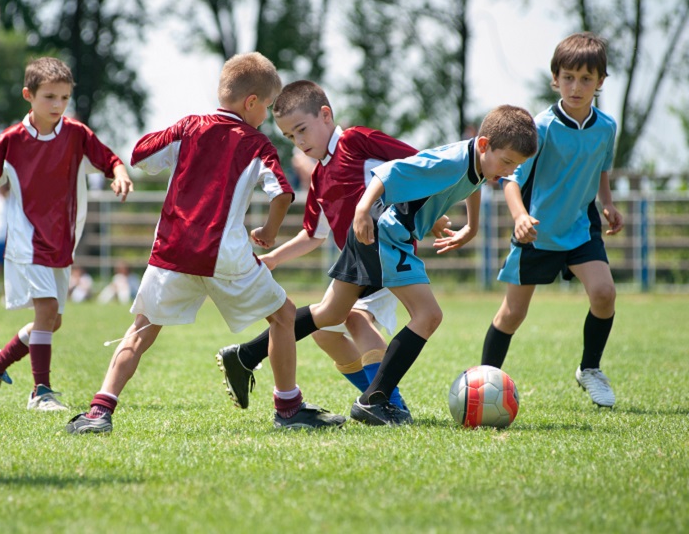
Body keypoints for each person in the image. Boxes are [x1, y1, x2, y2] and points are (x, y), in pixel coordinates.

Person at [64, 52, 345, 434]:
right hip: (225, 257)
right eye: (265, 108)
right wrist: (268, 231)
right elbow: (281, 193)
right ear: (251, 103)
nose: (266, 117)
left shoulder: (189, 126)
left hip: (171, 255)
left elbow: (140, 154)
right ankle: (288, 408)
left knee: (141, 330)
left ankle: (100, 411)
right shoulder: (257, 144)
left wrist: (183, 132)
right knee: (283, 316)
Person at [221, 104, 539, 426]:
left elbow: (475, 181)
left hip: (374, 232)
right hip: (388, 234)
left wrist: (470, 226)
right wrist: (362, 208)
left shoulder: (478, 162)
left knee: (331, 313)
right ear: (484, 145)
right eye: (507, 162)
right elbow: (391, 171)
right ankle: (375, 399)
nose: (508, 171)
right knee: (428, 315)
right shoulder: (453, 159)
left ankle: (247, 354)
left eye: (516, 166)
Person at [217, 80, 449, 413]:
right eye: (290, 137)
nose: (299, 142)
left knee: (354, 320)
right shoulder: (321, 177)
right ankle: (378, 400)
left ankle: (387, 403)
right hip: (359, 261)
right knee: (325, 331)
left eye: (302, 130)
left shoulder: (356, 141)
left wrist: (432, 212)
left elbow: (418, 164)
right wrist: (273, 258)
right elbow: (313, 234)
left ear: (326, 115)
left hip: (389, 252)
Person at [0, 57, 133, 411]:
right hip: (26, 241)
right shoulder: (10, 140)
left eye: (64, 98)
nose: (58, 105)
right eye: (49, 97)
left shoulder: (77, 134)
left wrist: (119, 174)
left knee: (52, 321)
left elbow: (111, 160)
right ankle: (40, 392)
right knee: (47, 311)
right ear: (29, 95)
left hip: (62, 242)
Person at [480, 32, 623, 408]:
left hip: (580, 230)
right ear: (554, 79)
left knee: (604, 293)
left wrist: (607, 204)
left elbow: (601, 171)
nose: (576, 86)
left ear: (601, 83)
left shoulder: (606, 128)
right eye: (569, 77)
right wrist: (521, 217)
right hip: (537, 235)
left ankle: (589, 369)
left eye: (586, 79)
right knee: (512, 314)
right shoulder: (540, 128)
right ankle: (483, 384)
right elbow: (511, 181)